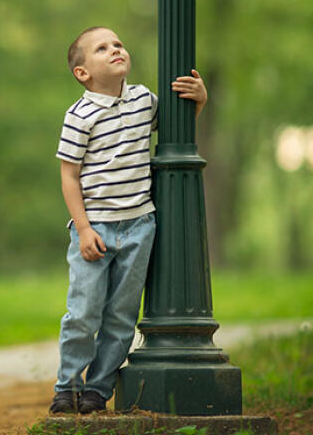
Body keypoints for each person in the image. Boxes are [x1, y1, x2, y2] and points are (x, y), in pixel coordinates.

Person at [51, 26, 208, 415]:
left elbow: (175, 131)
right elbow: (69, 175)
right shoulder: (79, 114)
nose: (115, 49)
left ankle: (97, 391)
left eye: (118, 44)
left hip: (139, 225)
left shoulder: (143, 100)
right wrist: (83, 228)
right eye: (102, 48)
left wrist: (199, 102)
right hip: (96, 229)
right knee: (84, 312)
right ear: (83, 72)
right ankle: (67, 387)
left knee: (122, 316)